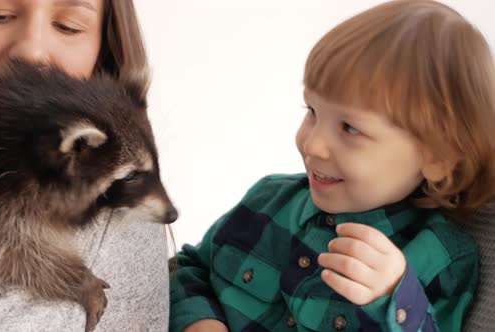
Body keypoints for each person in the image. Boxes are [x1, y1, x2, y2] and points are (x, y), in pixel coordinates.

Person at [169, 1, 495, 331]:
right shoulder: (268, 199)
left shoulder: (442, 259)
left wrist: (394, 298)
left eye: (350, 128)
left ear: (438, 158)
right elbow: (188, 268)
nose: (311, 144)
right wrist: (201, 323)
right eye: (311, 110)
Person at [0, 1, 170, 331]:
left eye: (69, 26)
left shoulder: (106, 220)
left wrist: (72, 278)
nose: (31, 52)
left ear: (102, 54)